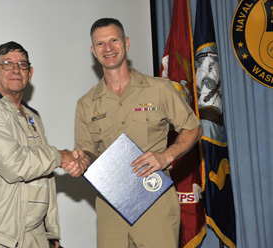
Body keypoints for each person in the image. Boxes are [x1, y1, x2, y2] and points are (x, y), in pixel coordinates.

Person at [74, 18, 203, 247]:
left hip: (154, 197)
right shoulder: (86, 103)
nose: (108, 48)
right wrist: (80, 159)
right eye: (101, 44)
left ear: (127, 42)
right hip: (110, 203)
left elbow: (193, 128)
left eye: (114, 40)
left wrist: (166, 156)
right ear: (93, 51)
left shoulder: (159, 89)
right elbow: (89, 153)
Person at [0, 41, 87, 248]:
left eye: (22, 64)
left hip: (33, 237)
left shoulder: (33, 116)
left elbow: (43, 174)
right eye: (7, 63)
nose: (16, 69)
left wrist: (49, 232)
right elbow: (13, 164)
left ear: (30, 73)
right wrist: (61, 156)